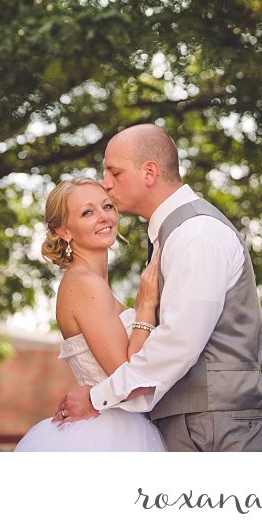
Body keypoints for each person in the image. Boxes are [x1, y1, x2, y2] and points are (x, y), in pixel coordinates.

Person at [56, 123, 262, 451]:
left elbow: (178, 342)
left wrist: (97, 397)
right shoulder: (173, 235)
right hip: (192, 421)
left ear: (149, 172)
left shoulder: (195, 234)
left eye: (114, 172)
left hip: (209, 424)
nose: (106, 183)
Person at [14, 176, 166, 451]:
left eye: (107, 206)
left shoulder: (90, 282)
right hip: (107, 433)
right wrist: (145, 308)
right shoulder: (85, 284)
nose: (103, 217)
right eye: (87, 212)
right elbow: (127, 374)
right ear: (64, 231)